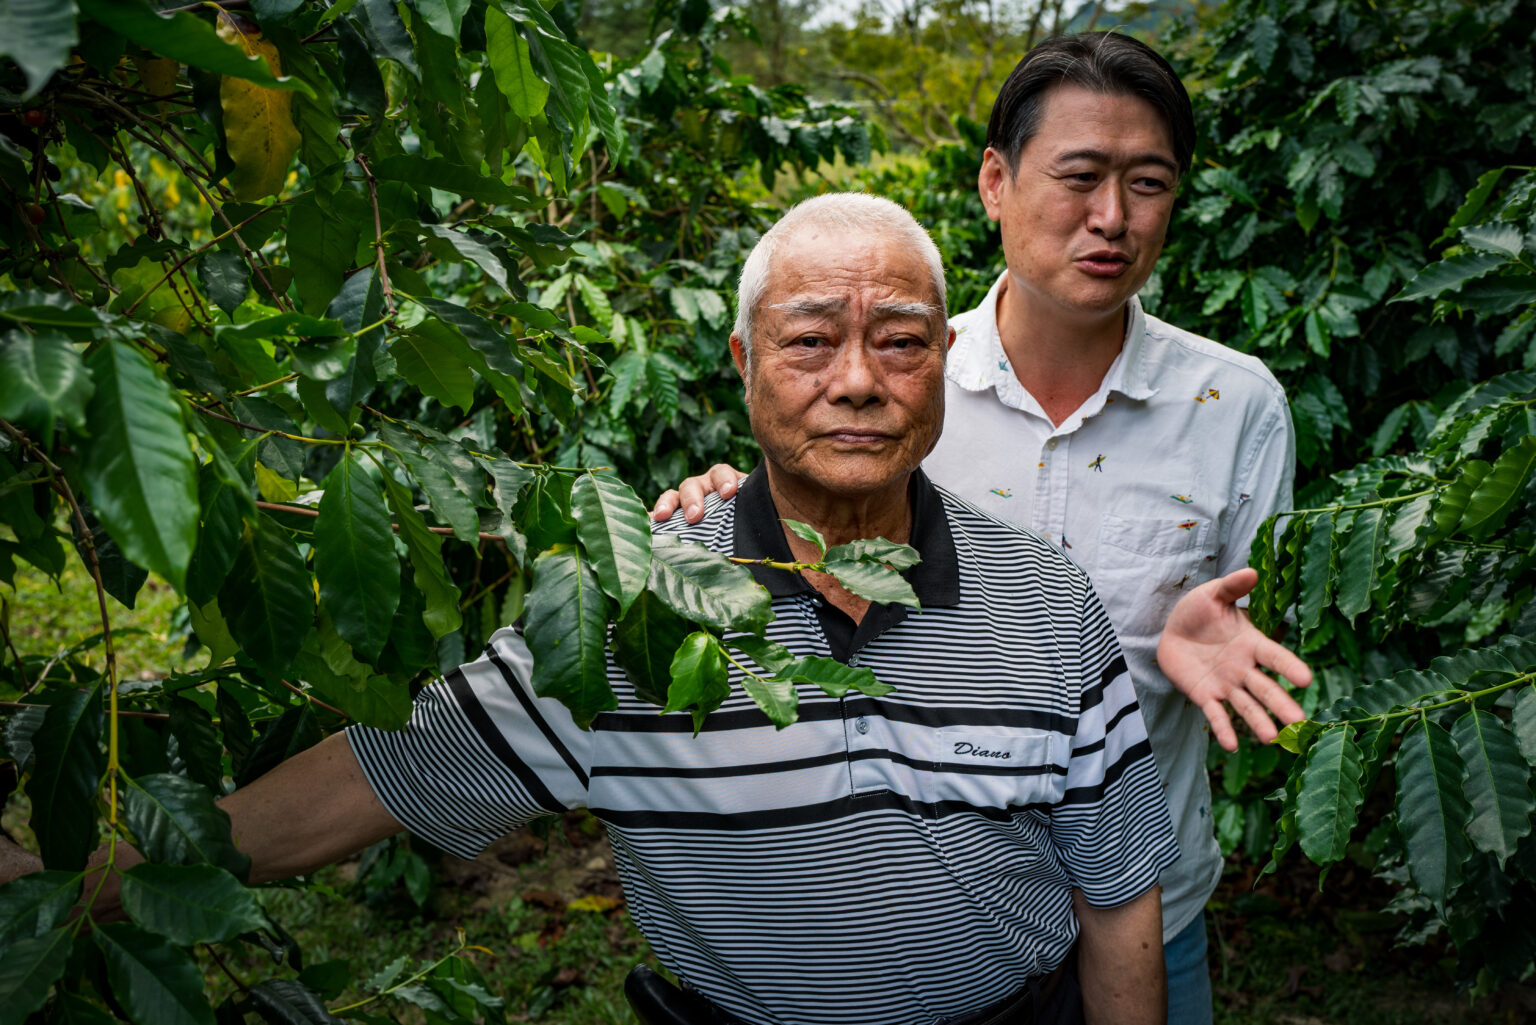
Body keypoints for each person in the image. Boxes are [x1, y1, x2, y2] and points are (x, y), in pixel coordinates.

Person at [1, 194, 1176, 1025]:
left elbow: (1119, 896)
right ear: (743, 362)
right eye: (811, 341)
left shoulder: (1044, 593)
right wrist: (73, 881)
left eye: (901, 342)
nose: (858, 379)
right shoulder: (632, 607)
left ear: (945, 355)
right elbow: (369, 782)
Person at [650, 33, 1313, 1025]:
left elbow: (1260, 642)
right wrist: (716, 504)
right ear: (995, 181)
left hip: (1149, 906)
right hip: (928, 931)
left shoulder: (1235, 404)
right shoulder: (891, 383)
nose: (1112, 218)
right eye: (1080, 175)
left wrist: (1177, 654)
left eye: (1149, 183)